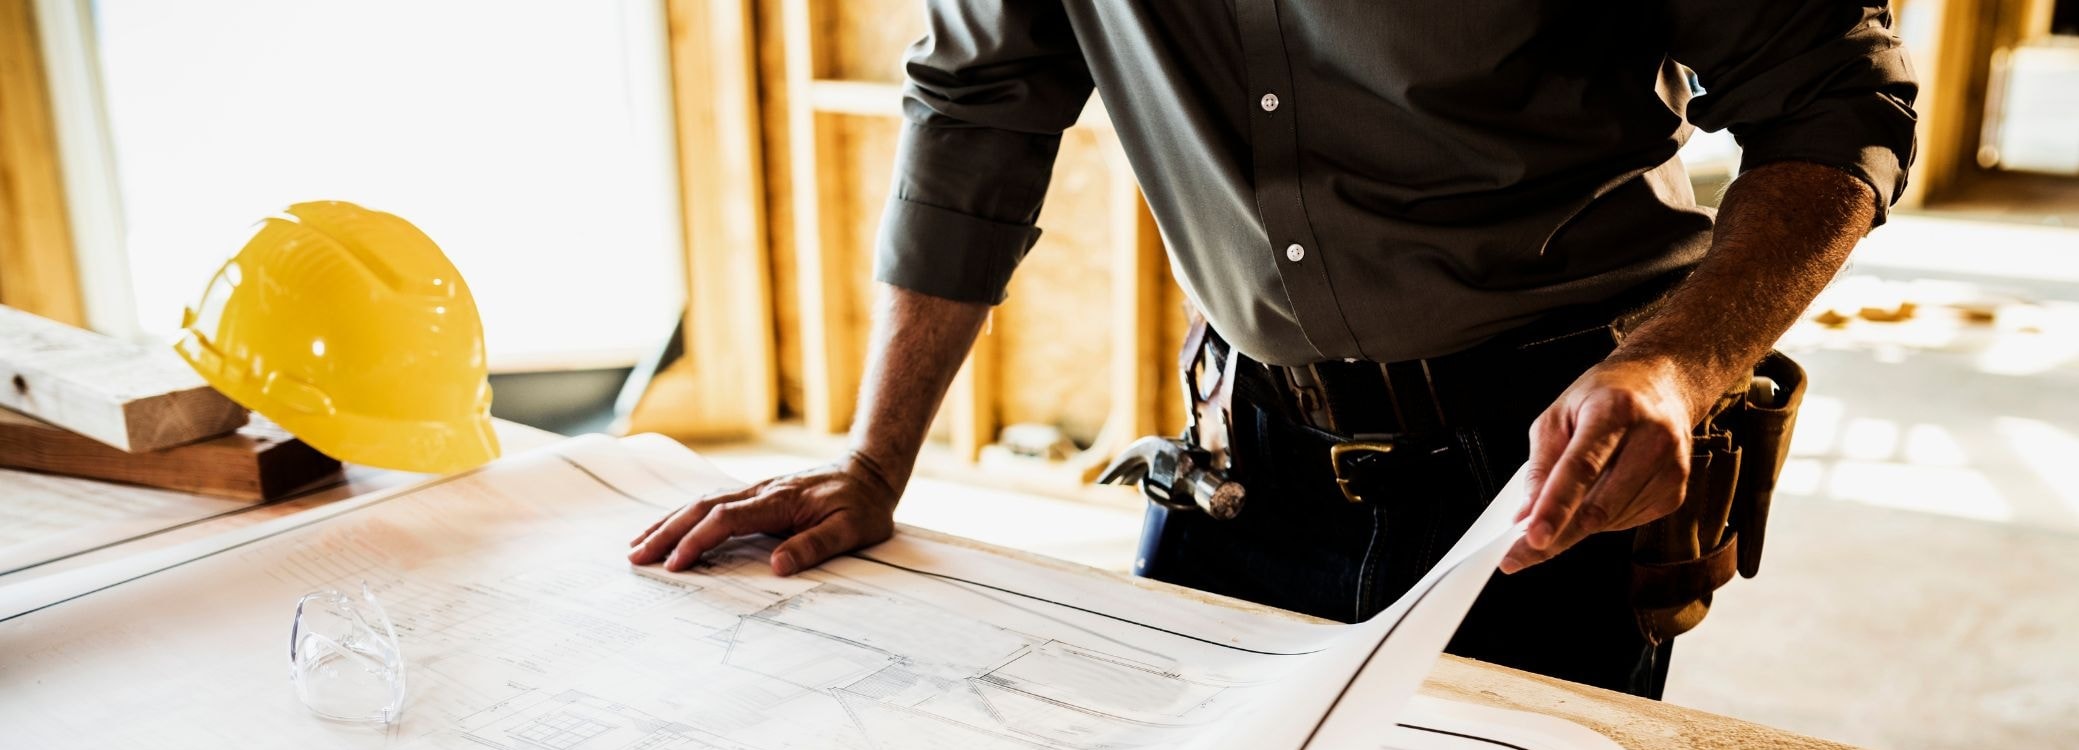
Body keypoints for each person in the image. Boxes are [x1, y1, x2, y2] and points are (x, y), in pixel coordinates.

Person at [629, 2, 1918, 699]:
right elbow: (979, 109)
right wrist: (873, 461)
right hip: (1242, 451)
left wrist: (1684, 363)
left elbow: (1838, 98)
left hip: (1551, 451)